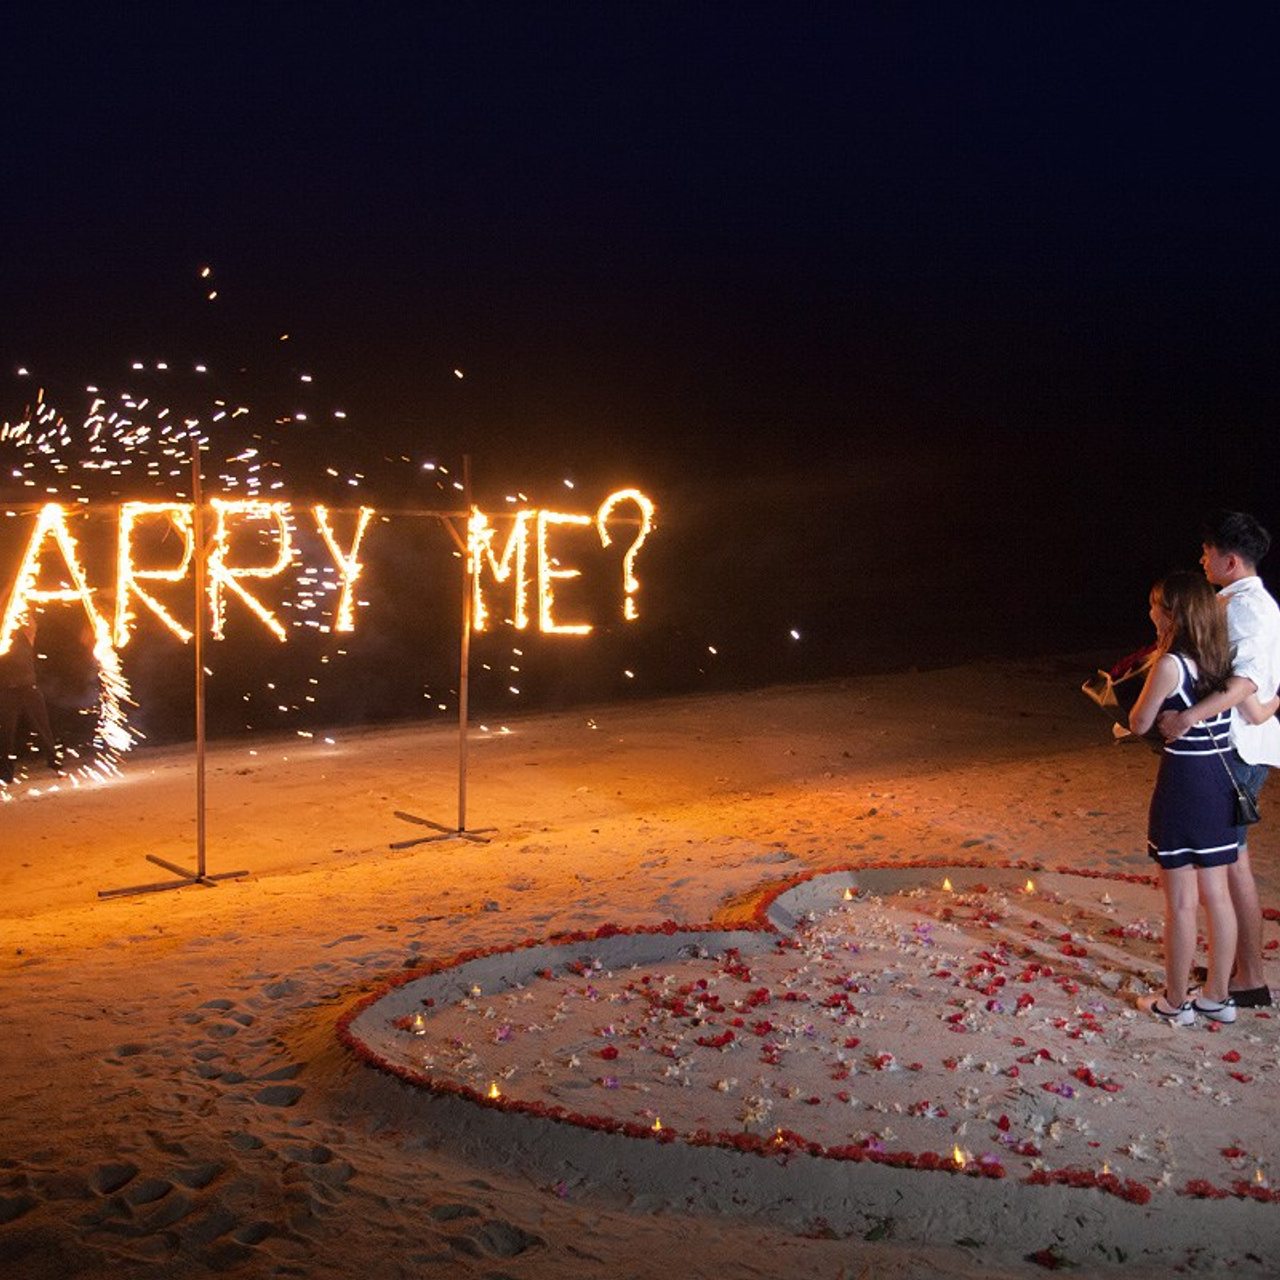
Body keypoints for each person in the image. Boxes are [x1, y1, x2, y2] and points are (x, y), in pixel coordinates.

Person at [1129, 571, 1278, 1024]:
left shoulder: (1171, 664)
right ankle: (1217, 996)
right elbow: (1254, 706)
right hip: (1219, 779)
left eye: (1156, 605)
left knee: (1180, 902)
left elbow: (1139, 723)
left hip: (1184, 783)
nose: (1151, 612)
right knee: (1218, 896)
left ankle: (1175, 1003)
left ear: (1172, 613)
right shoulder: (1220, 658)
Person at [1158, 511, 1280, 1008]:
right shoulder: (1242, 602)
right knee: (1230, 863)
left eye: (1207, 552)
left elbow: (1247, 685)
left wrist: (1188, 719)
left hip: (1235, 751)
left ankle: (1248, 976)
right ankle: (1241, 971)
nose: (1201, 559)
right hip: (1237, 745)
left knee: (1230, 865)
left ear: (1231, 561)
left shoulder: (1246, 607)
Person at [0, 614, 63, 785]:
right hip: (6, 691)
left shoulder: (26, 634)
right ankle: (5, 774)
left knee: (43, 728)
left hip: (29, 688)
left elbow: (28, 618)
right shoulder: (2, 637)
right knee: (6, 733)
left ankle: (56, 765)